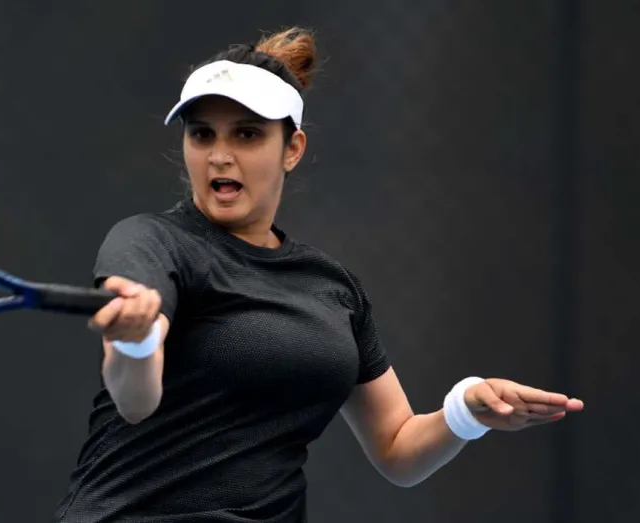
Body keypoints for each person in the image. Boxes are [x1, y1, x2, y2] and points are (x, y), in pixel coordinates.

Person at [53, 27, 584, 523]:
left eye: (246, 134)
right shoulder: (150, 242)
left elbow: (397, 448)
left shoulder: (333, 287)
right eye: (202, 134)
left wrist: (467, 410)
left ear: (292, 149)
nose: (219, 156)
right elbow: (135, 400)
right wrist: (137, 341)